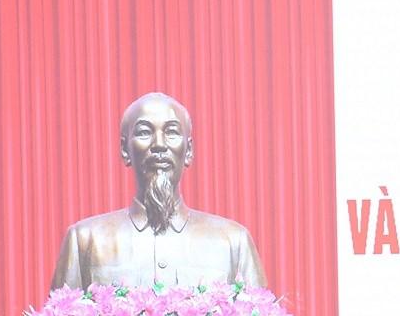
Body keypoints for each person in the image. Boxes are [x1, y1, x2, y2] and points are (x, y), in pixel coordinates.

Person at [49, 92, 268, 292]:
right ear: (125, 150)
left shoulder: (233, 242)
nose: (159, 144)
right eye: (144, 132)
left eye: (171, 132)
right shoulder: (86, 240)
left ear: (189, 151)